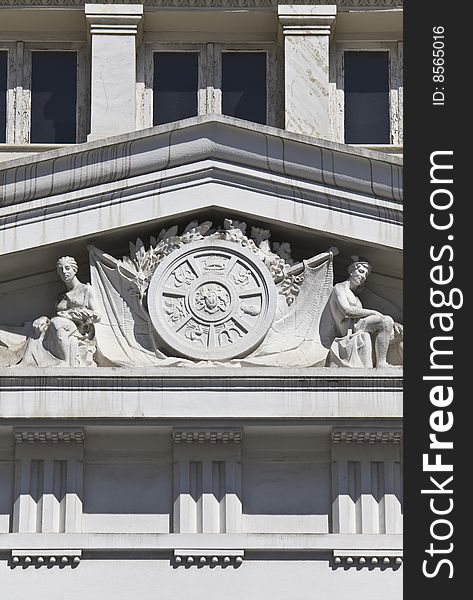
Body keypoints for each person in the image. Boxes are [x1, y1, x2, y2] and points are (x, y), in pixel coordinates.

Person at [328, 256, 402, 368]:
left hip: (357, 326)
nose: (363, 277)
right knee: (386, 321)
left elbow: (360, 316)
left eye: (365, 275)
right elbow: (347, 311)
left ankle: (386, 361)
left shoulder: (356, 298)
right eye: (361, 271)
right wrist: (375, 313)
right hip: (347, 328)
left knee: (396, 328)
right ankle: (381, 363)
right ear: (352, 271)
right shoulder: (339, 287)